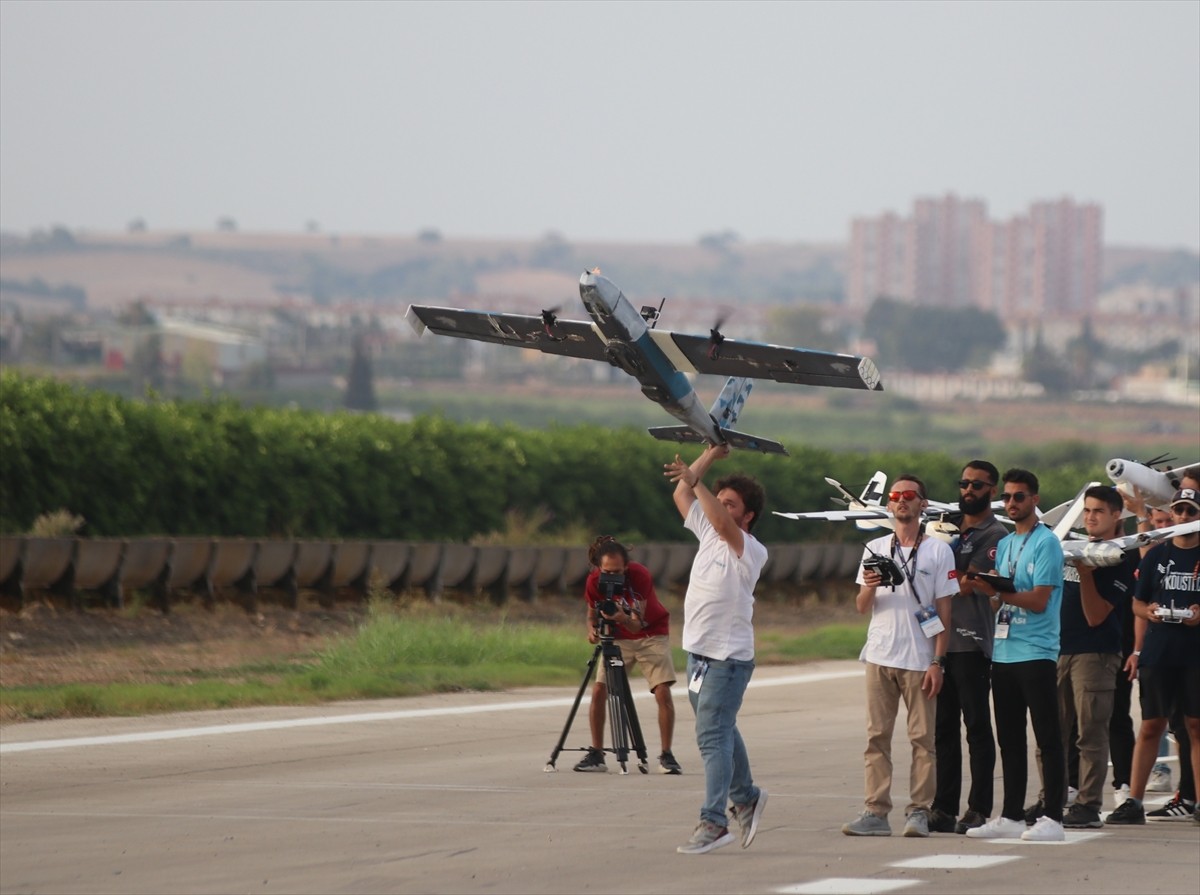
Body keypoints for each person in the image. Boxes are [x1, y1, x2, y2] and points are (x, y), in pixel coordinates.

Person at [663, 444, 768, 855]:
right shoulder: (707, 530)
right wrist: (708, 456)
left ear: (748, 516)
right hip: (699, 655)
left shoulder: (749, 548)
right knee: (723, 729)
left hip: (729, 658)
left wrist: (698, 478)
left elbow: (722, 522)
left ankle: (714, 820)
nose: (720, 509)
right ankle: (747, 796)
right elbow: (682, 496)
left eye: (731, 504)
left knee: (711, 735)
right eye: (720, 501)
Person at [841, 475, 956, 838]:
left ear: (923, 504)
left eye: (909, 496)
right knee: (877, 737)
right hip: (879, 654)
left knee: (923, 739)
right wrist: (870, 586)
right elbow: (861, 607)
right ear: (889, 505)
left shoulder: (938, 550)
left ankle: (919, 811)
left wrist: (938, 661)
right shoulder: (875, 547)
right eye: (895, 496)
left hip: (919, 657)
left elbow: (944, 611)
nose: (901, 501)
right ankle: (876, 810)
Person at [966, 468, 1067, 842]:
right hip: (1004, 651)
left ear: (1034, 500)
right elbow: (998, 604)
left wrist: (1002, 594)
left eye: (1019, 497)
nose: (1011, 503)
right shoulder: (1006, 543)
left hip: (1037, 651)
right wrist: (986, 589)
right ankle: (1010, 814)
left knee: (1047, 736)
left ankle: (1053, 817)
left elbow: (1040, 600)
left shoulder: (1047, 543)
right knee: (1009, 737)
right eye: (1006, 497)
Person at [1107, 487, 1200, 826]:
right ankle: (1134, 799)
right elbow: (1136, 602)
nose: (1185, 518)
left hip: (1194, 654)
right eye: (1180, 511)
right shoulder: (1157, 556)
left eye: (1191, 511)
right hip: (1158, 652)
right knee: (1151, 725)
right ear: (1172, 514)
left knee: (1194, 725)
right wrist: (1152, 612)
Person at [1047, 485, 1137, 829]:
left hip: (1095, 654)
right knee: (1052, 733)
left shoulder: (1120, 558)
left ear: (1117, 515)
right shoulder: (1074, 548)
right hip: (1058, 649)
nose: (1090, 517)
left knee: (1090, 734)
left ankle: (1087, 804)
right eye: (1087, 511)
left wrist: (1085, 573)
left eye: (1098, 511)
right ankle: (1052, 799)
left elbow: (1096, 615)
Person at [928, 460, 1006, 835]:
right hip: (938, 644)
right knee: (942, 730)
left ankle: (978, 807)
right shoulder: (945, 528)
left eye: (977, 485)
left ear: (992, 490)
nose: (968, 491)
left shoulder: (995, 534)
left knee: (976, 727)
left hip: (973, 642)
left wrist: (938, 558)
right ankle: (942, 807)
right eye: (964, 483)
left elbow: (964, 582)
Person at [572, 535, 681, 775]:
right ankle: (597, 753)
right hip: (618, 637)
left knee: (662, 690)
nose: (612, 577)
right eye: (607, 572)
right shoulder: (593, 581)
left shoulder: (639, 576)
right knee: (599, 690)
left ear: (627, 566)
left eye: (618, 571)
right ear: (599, 568)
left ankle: (666, 754)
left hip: (650, 634)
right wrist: (591, 629)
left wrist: (621, 616)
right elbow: (592, 611)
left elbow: (637, 624)